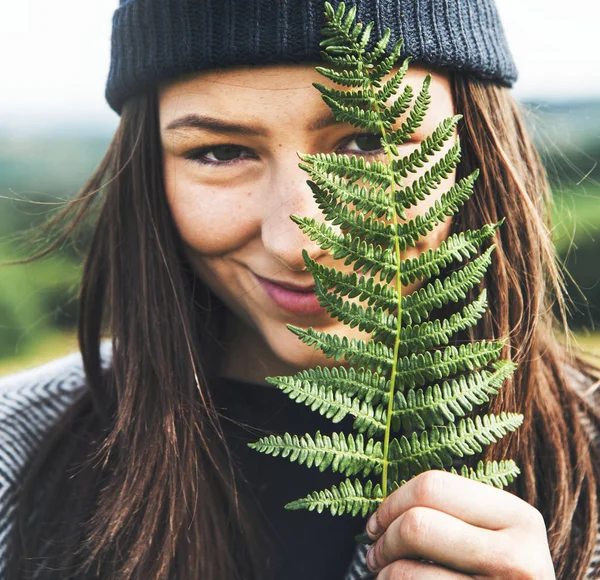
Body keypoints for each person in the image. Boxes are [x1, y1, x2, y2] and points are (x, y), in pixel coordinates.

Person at [1, 0, 599, 578]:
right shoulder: (15, 451)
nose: (299, 242)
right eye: (220, 152)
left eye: (366, 141)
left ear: (479, 151)